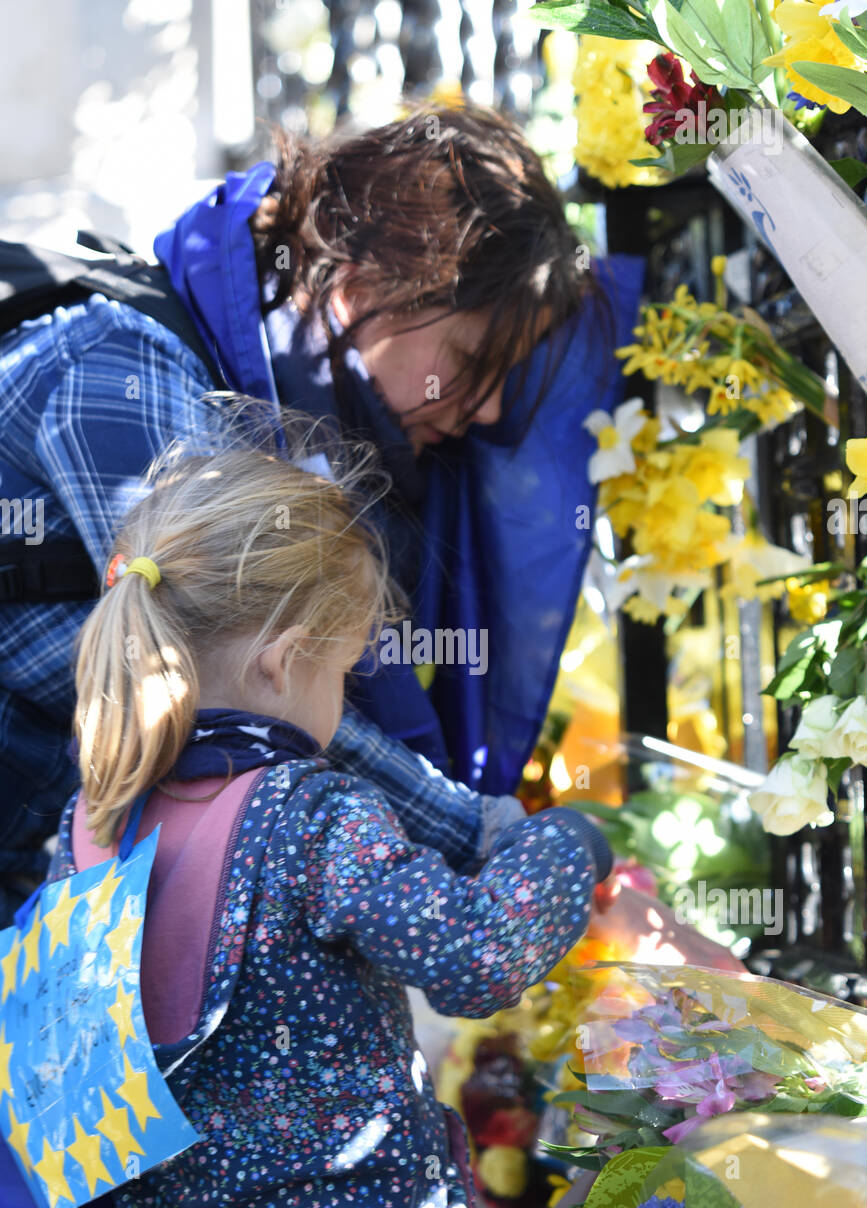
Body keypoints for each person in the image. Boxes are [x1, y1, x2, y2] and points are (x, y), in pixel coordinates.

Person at [0, 98, 645, 922]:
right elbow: (233, 682)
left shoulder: (271, 424)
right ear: (368, 275)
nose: (485, 411)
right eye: (473, 360)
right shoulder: (123, 372)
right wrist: (498, 844)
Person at [43, 416, 623, 1208]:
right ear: (283, 664)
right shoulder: (308, 814)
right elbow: (477, 956)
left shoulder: (91, 823)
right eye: (341, 674)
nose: (339, 707)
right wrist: (566, 843)